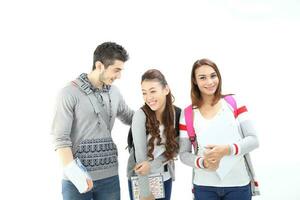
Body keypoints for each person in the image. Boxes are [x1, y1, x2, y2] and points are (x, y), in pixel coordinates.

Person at [51, 42, 134, 200]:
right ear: (99, 65)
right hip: (77, 181)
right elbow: (60, 138)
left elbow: (130, 117)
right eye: (116, 70)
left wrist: (160, 112)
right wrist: (77, 176)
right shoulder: (69, 93)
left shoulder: (115, 93)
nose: (119, 76)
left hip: (110, 177)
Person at [179, 58, 260, 200]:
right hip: (204, 187)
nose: (210, 82)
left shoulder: (234, 103)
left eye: (213, 75)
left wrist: (226, 150)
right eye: (202, 78)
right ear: (195, 81)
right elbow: (184, 154)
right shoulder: (187, 114)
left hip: (238, 184)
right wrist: (203, 162)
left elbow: (253, 140)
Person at [127, 69, 181, 200]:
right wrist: (145, 193)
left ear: (166, 90)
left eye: (153, 91)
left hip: (164, 177)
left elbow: (176, 149)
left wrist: (152, 165)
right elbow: (140, 160)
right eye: (144, 93)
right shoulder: (140, 116)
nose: (148, 98)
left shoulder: (177, 114)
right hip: (140, 179)